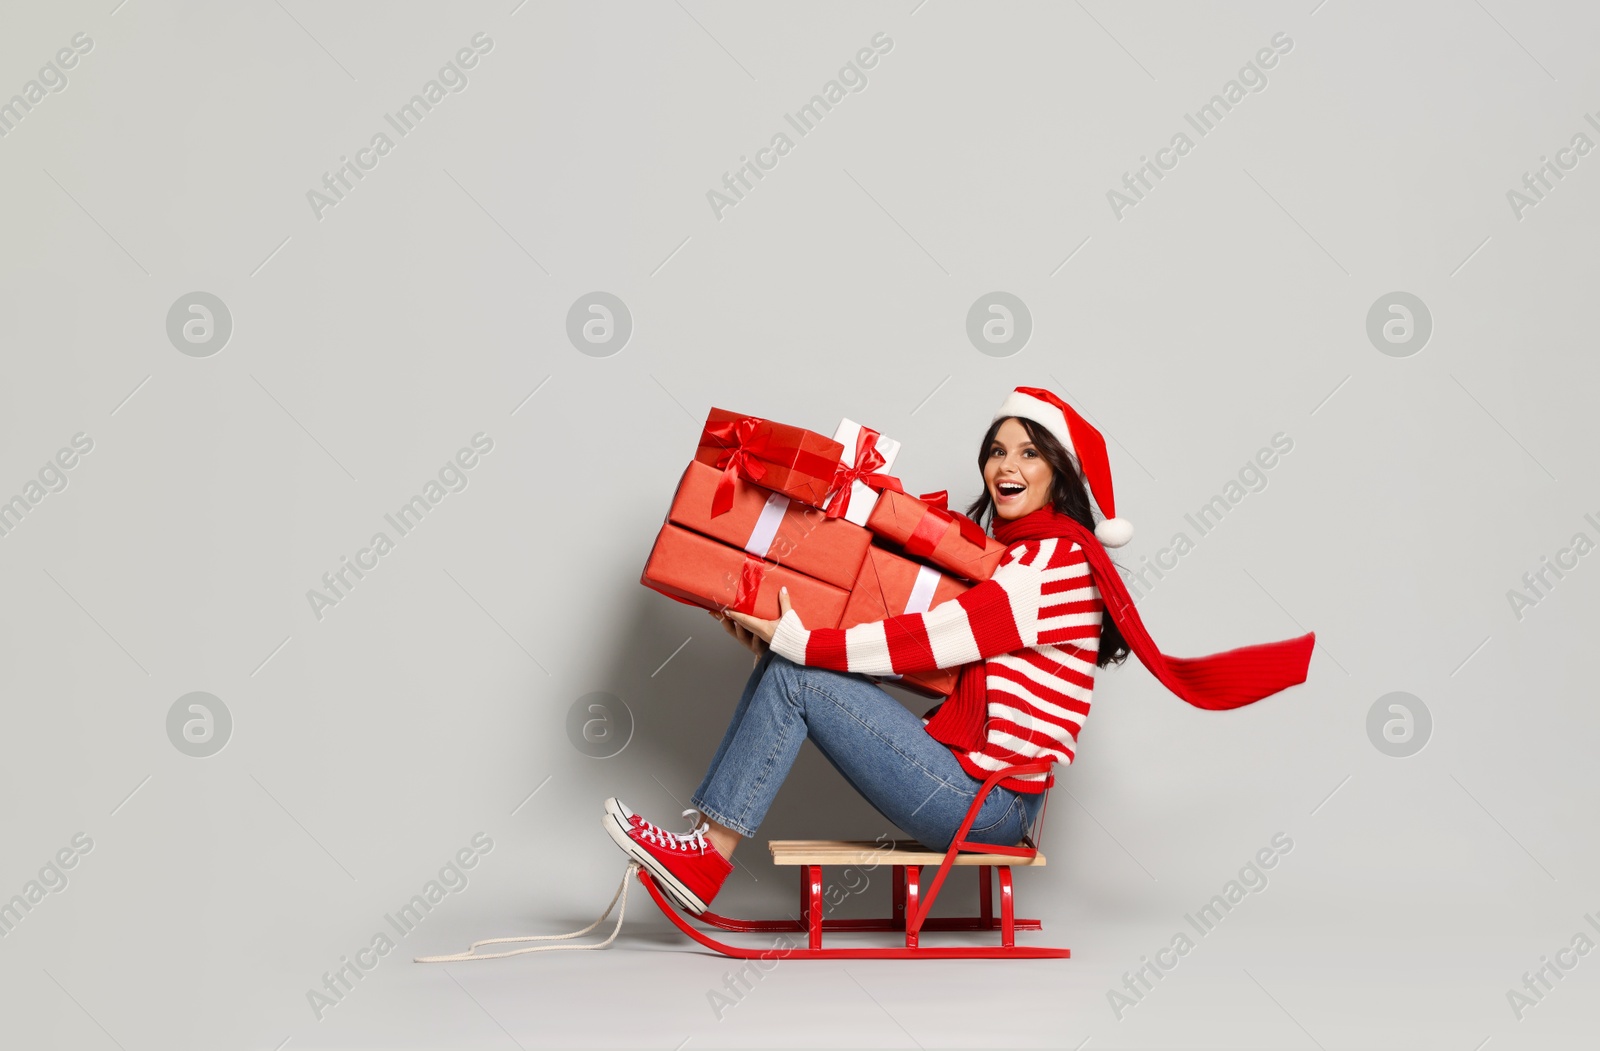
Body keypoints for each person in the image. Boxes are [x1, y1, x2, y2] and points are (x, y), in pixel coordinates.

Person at [603, 387, 1314, 916]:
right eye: (998, 449)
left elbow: (934, 638)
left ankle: (706, 860)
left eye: (1029, 451)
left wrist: (807, 644)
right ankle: (705, 845)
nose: (1005, 464)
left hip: (990, 803)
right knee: (792, 665)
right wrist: (779, 637)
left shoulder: (1055, 563)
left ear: (1060, 473)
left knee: (798, 672)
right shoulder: (1024, 556)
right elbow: (941, 673)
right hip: (979, 789)